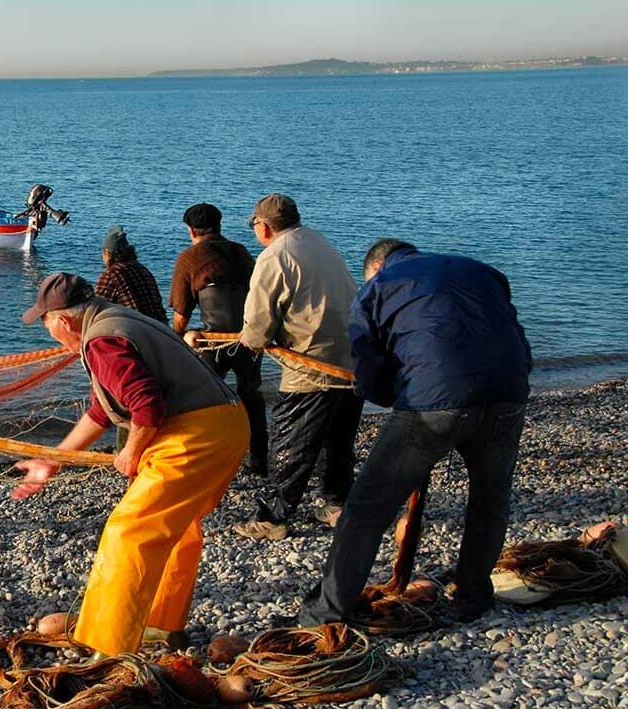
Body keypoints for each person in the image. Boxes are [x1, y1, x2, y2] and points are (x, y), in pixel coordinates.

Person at [12, 273, 249, 657]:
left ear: (64, 321)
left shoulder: (102, 341)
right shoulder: (113, 319)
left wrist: (132, 451)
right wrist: (51, 461)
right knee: (176, 526)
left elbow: (146, 405)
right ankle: (160, 624)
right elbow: (102, 410)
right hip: (227, 425)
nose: (51, 335)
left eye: (47, 325)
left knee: (129, 531)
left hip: (196, 436)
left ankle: (106, 646)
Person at [297, 240, 532, 625]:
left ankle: (327, 610)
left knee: (366, 509)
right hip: (508, 394)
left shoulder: (377, 287)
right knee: (491, 500)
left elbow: (370, 374)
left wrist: (400, 396)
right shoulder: (483, 272)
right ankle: (473, 595)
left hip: (435, 402)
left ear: (374, 267)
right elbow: (515, 339)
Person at [232, 193, 362, 541]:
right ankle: (337, 505)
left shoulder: (274, 256)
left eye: (254, 224)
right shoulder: (319, 241)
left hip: (312, 364)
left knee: (291, 444)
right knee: (338, 440)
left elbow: (257, 328)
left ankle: (273, 518)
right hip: (352, 359)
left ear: (264, 225)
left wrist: (250, 340)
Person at [170, 202, 268, 475]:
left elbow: (181, 314)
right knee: (251, 395)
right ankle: (259, 461)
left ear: (191, 231)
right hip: (248, 339)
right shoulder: (241, 252)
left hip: (213, 341)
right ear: (219, 226)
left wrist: (174, 342)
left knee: (203, 401)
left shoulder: (189, 258)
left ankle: (206, 459)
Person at [95, 225, 167, 324]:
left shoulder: (111, 274)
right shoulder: (142, 269)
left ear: (107, 253)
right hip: (162, 328)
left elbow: (97, 309)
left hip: (136, 330)